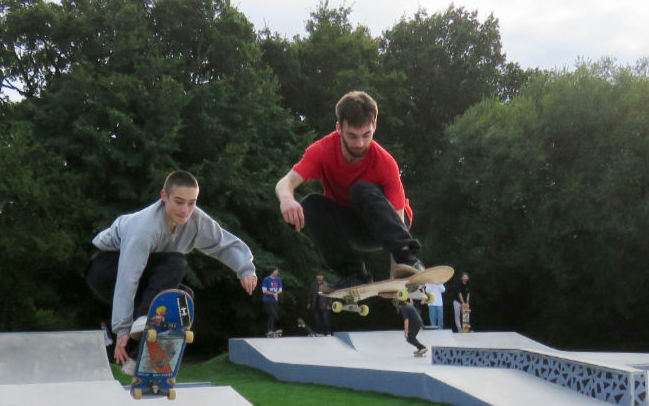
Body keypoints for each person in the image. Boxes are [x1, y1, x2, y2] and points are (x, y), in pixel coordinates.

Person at [85, 170, 258, 372]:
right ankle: (143, 318)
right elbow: (128, 276)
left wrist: (245, 269)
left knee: (182, 299)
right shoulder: (144, 228)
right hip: (105, 268)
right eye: (178, 201)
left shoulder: (197, 221)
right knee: (175, 262)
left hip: (142, 276)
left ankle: (139, 360)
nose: (185, 210)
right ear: (164, 196)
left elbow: (223, 243)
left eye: (191, 202)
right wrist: (122, 329)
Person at [275, 90, 423, 289]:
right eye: (352, 136)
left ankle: (408, 260)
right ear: (339, 128)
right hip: (354, 225)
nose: (360, 144)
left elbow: (397, 217)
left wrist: (399, 272)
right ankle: (353, 275)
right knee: (311, 204)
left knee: (360, 189)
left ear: (374, 126)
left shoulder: (385, 163)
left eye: (366, 135)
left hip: (391, 221)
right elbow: (286, 182)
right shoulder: (322, 151)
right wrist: (286, 199)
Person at [262, 268, 283, 337]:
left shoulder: (278, 279)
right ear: (272, 271)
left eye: (277, 271)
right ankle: (270, 330)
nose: (277, 272)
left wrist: (276, 293)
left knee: (272, 315)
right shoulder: (266, 279)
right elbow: (264, 290)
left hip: (275, 300)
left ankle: (271, 330)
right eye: (276, 271)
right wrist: (272, 294)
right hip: (267, 300)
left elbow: (280, 290)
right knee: (272, 313)